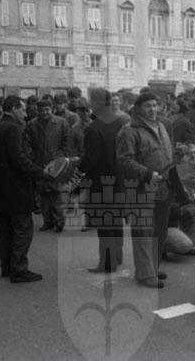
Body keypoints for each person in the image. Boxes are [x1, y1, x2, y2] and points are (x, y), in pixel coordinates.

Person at [116, 93, 174, 289]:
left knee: (159, 231)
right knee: (143, 231)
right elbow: (124, 161)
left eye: (155, 105)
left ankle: (153, 268)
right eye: (148, 106)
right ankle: (145, 274)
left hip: (163, 187)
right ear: (138, 108)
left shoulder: (161, 126)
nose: (153, 109)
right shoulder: (129, 131)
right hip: (140, 189)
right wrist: (148, 174)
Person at [0, 96, 48, 283]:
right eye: (22, 109)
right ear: (14, 108)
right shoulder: (14, 128)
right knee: (23, 229)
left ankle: (7, 267)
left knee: (6, 229)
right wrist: (41, 173)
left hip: (2, 187)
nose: (25, 114)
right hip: (16, 187)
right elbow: (18, 159)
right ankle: (19, 270)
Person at [79, 88, 130, 273]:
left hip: (101, 182)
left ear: (96, 103)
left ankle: (107, 263)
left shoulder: (93, 128)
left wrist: (78, 164)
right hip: (119, 179)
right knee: (115, 220)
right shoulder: (122, 122)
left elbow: (90, 160)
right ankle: (117, 256)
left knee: (104, 223)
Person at [24, 99, 70, 233]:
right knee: (43, 194)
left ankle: (59, 221)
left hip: (57, 163)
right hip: (40, 164)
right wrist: (33, 160)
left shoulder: (62, 122)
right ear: (37, 111)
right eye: (41, 110)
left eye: (47, 110)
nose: (44, 112)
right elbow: (27, 146)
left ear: (52, 109)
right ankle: (47, 222)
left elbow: (67, 142)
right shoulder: (31, 125)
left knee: (58, 194)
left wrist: (62, 158)